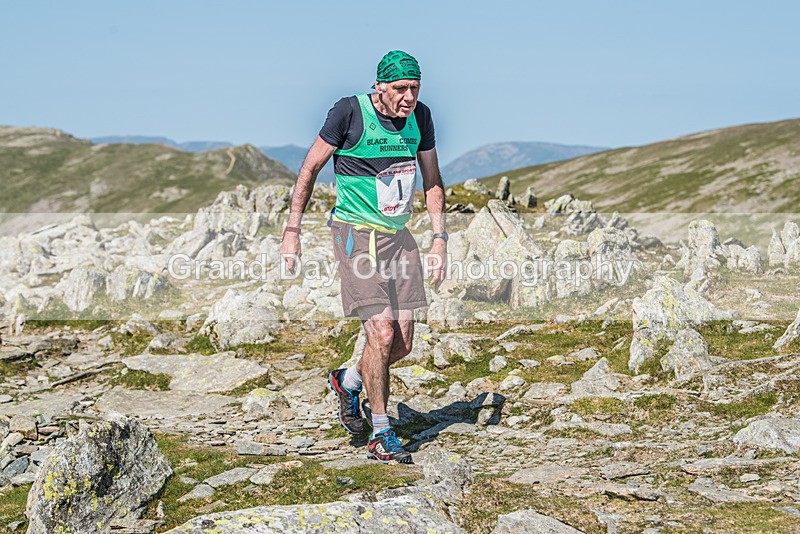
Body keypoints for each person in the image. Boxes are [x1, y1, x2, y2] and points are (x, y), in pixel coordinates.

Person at [280, 50, 447, 464]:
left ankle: (349, 380)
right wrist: (292, 231)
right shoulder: (348, 113)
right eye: (400, 89)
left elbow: (432, 180)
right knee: (382, 334)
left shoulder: (420, 118)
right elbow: (309, 168)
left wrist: (440, 239)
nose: (408, 97)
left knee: (404, 343)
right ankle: (380, 433)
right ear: (380, 87)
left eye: (415, 88)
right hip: (355, 235)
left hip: (398, 237)